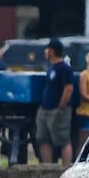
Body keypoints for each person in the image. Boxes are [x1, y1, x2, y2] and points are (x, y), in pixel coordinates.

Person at [37, 38, 75, 166]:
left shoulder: (64, 68)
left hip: (57, 110)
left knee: (63, 139)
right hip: (45, 108)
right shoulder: (51, 67)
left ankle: (65, 167)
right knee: (43, 139)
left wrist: (61, 106)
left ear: (52, 51)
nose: (45, 51)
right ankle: (47, 167)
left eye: (47, 49)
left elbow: (68, 88)